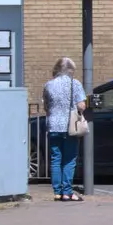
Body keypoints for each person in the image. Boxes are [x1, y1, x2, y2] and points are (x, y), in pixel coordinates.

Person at [42, 57, 87, 201]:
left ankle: (57, 192)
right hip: (70, 125)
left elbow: (46, 106)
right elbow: (81, 105)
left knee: (56, 159)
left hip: (53, 125)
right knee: (69, 160)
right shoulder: (75, 84)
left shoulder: (49, 85)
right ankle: (67, 192)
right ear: (71, 70)